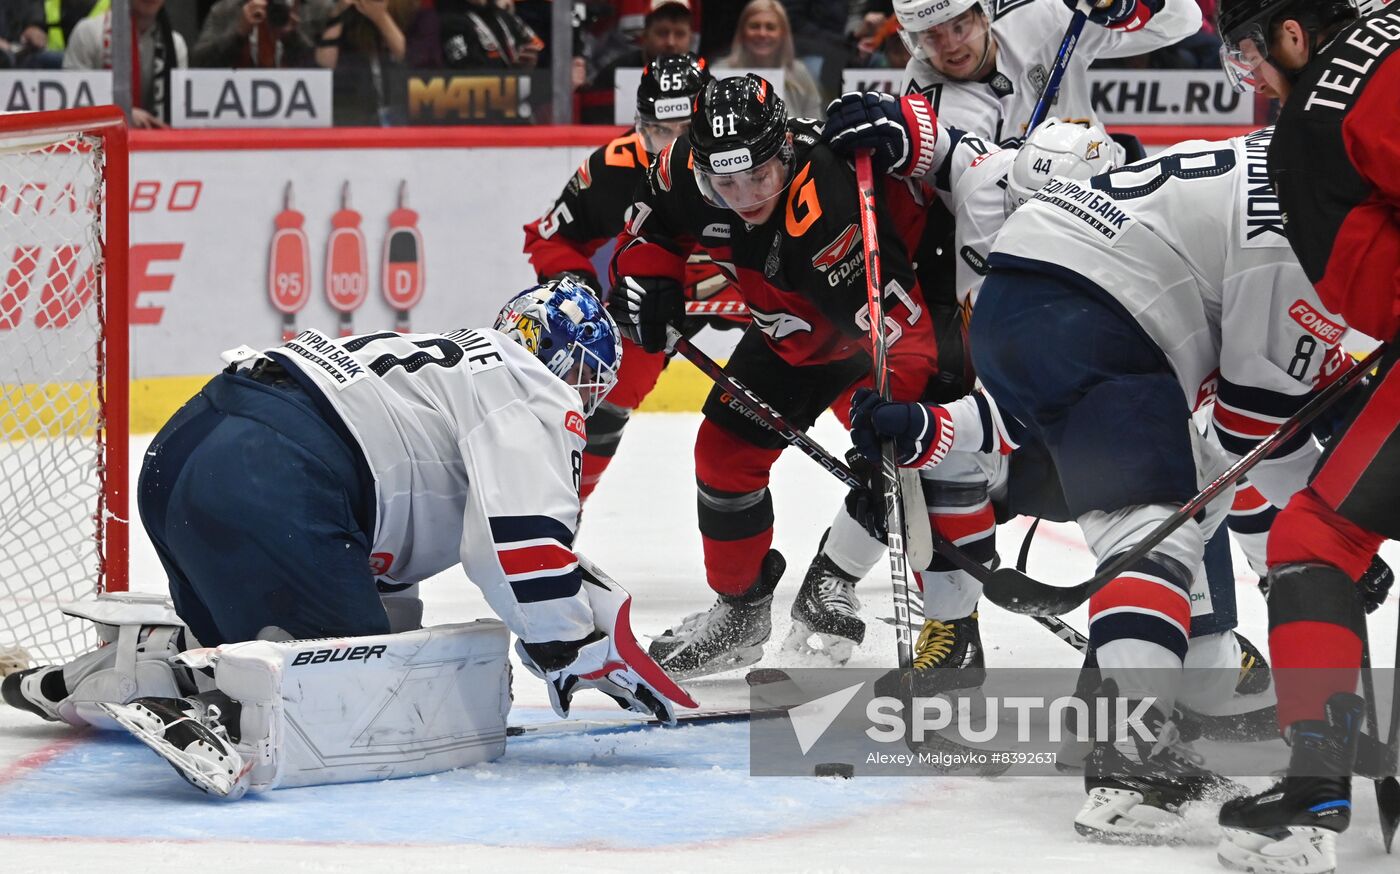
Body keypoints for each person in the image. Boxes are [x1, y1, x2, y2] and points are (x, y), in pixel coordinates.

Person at [852, 121, 1358, 841]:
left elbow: (1040, 412)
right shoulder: (1296, 240)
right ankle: (1128, 764)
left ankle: (1149, 688)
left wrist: (926, 428)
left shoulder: (1272, 154)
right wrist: (1337, 533)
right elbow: (1260, 437)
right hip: (1101, 320)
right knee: (1156, 534)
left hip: (1016, 302)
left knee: (1201, 481)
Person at [2, 278, 693, 799]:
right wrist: (570, 646)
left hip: (187, 450)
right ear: (577, 368)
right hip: (273, 476)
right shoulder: (533, 387)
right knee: (352, 695)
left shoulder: (444, 371)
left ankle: (141, 663)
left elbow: (385, 564)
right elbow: (519, 552)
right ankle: (204, 693)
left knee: (350, 645)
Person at [607, 73, 943, 678]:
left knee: (904, 470)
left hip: (876, 339)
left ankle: (844, 584)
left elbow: (907, 338)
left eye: (758, 176)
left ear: (786, 148)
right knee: (722, 456)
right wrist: (648, 273)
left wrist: (902, 412)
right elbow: (649, 222)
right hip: (789, 333)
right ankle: (740, 612)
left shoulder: (831, 209)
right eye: (725, 182)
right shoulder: (687, 166)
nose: (743, 195)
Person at [1209, 0, 1400, 870]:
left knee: (1316, 536)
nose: (1248, 74)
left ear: (1294, 32)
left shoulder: (1313, 124)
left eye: (1249, 50)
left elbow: (1368, 299)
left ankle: (1317, 795)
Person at [523, 53, 740, 503]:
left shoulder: (751, 156)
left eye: (687, 130)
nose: (677, 148)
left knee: (829, 363)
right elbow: (550, 239)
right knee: (600, 390)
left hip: (756, 294)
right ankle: (560, 512)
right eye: (662, 133)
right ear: (641, 125)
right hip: (650, 301)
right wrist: (581, 294)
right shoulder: (614, 166)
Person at [890, 0, 1204, 147]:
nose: (950, 47)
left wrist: (1129, 9)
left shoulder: (1045, 16)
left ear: (985, 15)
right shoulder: (925, 99)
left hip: (1107, 193)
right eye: (931, 37)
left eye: (960, 27)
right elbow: (975, 208)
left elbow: (1187, 20)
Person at [63, 0, 189, 129]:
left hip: (154, 142)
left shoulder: (175, 45)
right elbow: (71, 103)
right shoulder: (88, 32)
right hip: (96, 140)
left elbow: (181, 110)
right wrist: (122, 113)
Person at [315, 0, 440, 125]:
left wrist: (381, 18)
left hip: (411, 120)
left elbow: (413, 61)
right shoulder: (353, 18)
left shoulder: (421, 14)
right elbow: (325, 65)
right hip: (357, 118)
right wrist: (338, 14)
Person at [580, 0, 694, 124]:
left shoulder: (702, 79)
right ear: (644, 36)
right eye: (662, 33)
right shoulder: (613, 75)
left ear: (691, 39)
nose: (671, 43)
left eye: (680, 34)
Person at [712, 0, 825, 119]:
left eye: (770, 27)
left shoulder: (799, 74)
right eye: (754, 26)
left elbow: (815, 128)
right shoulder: (719, 74)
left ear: (782, 34)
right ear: (742, 32)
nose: (762, 33)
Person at [192, 0, 330, 68]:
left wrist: (292, 37)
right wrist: (238, 34)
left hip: (302, 112)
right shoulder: (225, 10)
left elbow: (330, 73)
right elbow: (197, 64)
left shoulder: (318, 10)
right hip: (238, 108)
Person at [437, 0, 544, 70]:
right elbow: (467, 73)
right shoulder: (451, 22)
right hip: (487, 99)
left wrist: (531, 61)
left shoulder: (503, 15)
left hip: (527, 91)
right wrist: (515, 72)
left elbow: (539, 48)